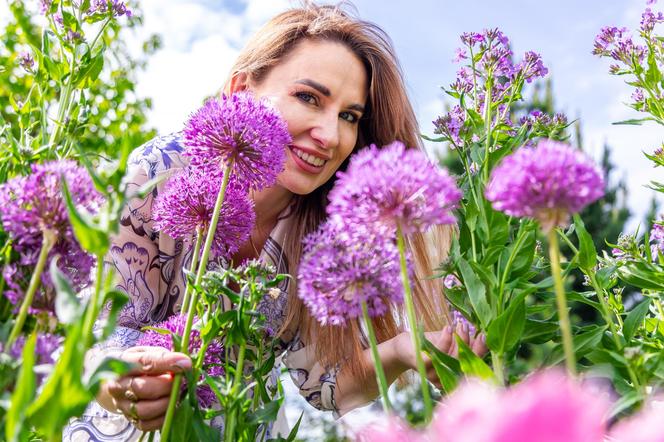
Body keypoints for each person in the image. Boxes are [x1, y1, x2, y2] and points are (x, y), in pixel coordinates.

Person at [64, 3, 487, 440]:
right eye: (309, 98)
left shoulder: (330, 233)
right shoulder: (166, 169)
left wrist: (402, 350)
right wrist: (110, 373)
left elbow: (325, 387)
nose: (329, 134)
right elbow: (99, 320)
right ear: (240, 90)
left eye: (349, 117)